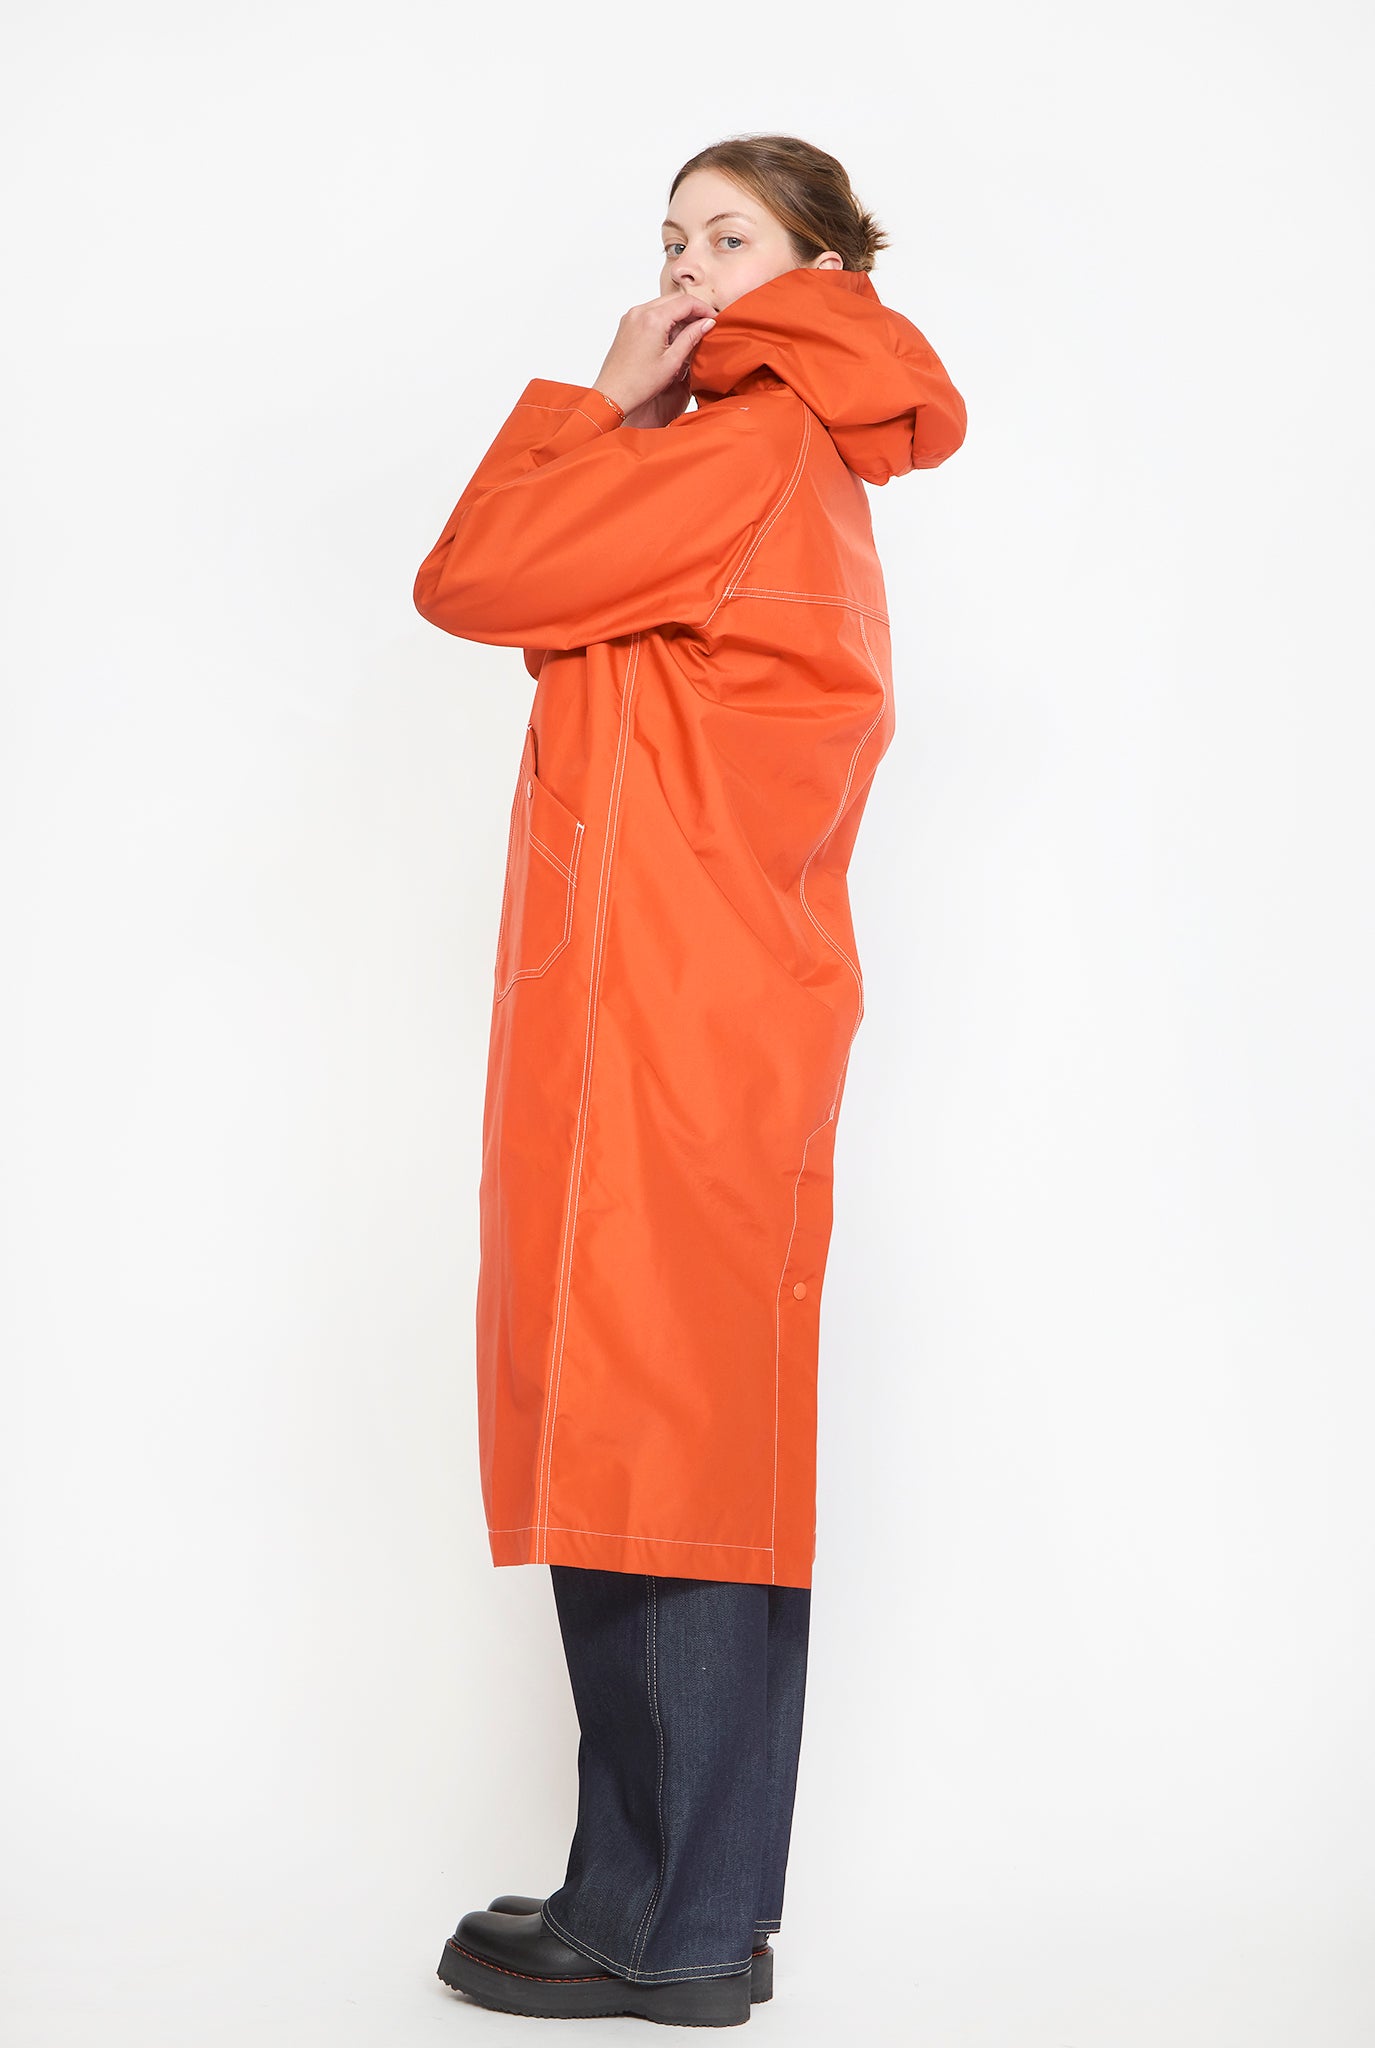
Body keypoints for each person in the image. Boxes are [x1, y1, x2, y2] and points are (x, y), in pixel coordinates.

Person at [412, 134, 967, 2026]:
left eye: (730, 237)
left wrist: (600, 396)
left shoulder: (734, 456)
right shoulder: (775, 460)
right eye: (670, 238)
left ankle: (671, 1927)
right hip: (697, 1007)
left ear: (825, 268)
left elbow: (471, 576)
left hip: (671, 1018)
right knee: (673, 1447)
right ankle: (666, 1893)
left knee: (662, 1453)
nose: (686, 268)